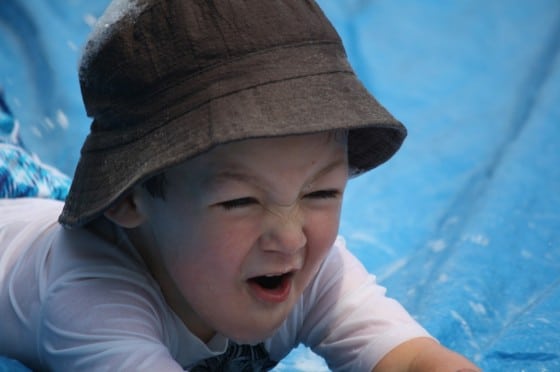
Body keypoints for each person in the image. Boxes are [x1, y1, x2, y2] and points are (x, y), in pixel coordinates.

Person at [0, 0, 480, 370]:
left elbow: (413, 358)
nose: (291, 238)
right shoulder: (88, 297)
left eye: (321, 193)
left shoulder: (310, 269)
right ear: (127, 196)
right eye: (240, 201)